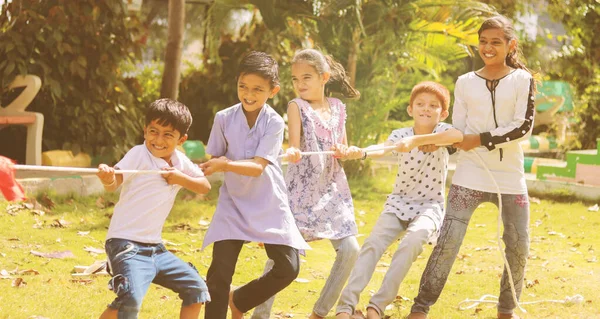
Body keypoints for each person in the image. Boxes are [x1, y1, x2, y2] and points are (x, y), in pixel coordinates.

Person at [407, 15, 536, 319]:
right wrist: (436, 140)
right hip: (469, 176)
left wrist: (477, 139)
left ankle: (506, 310)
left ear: (510, 45)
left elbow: (523, 128)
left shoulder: (522, 80)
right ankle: (420, 307)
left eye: (496, 42)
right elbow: (458, 131)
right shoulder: (465, 82)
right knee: (448, 241)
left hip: (510, 179)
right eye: (483, 41)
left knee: (518, 246)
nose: (488, 47)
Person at [335, 81, 463, 319]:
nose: (426, 109)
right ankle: (345, 307)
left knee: (412, 242)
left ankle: (376, 307)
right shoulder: (400, 135)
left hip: (429, 207)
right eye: (420, 104)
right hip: (399, 203)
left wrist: (418, 142)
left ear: (443, 113)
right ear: (410, 109)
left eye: (433, 106)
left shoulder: (443, 132)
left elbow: (457, 136)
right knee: (372, 245)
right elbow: (380, 150)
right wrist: (359, 151)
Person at [251, 48, 362, 319]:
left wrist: (346, 151)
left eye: (307, 78)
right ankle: (259, 314)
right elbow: (295, 146)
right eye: (295, 79)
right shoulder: (296, 106)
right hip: (301, 191)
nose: (300, 84)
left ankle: (319, 313)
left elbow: (343, 148)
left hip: (333, 188)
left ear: (324, 77)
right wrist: (293, 152)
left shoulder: (337, 107)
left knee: (350, 249)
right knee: (283, 258)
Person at [199, 51, 311, 319]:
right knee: (219, 275)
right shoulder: (223, 118)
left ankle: (241, 299)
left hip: (268, 201)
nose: (248, 94)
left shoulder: (274, 122)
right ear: (237, 82)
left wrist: (225, 165)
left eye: (258, 89)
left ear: (273, 91)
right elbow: (215, 157)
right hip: (233, 202)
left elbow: (259, 167)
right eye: (243, 87)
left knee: (288, 267)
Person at [96, 98, 212, 319]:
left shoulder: (181, 162)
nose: (158, 140)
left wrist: (179, 177)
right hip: (125, 244)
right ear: (145, 130)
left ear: (181, 139)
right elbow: (114, 183)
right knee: (130, 298)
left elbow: (204, 186)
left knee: (196, 289)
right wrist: (107, 176)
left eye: (168, 134)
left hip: (156, 249)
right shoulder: (139, 154)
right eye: (153, 131)